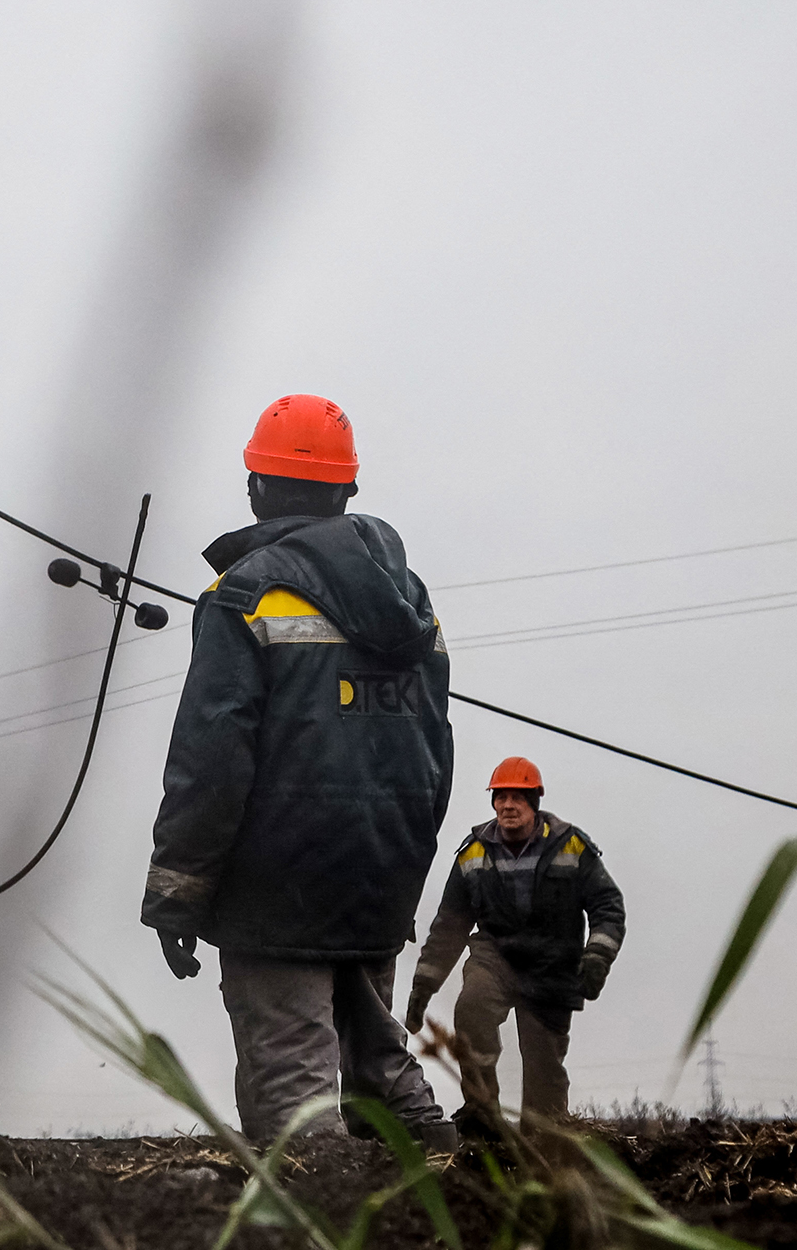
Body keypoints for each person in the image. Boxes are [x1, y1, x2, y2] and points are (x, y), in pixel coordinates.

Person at [140, 393, 457, 1150]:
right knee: (381, 1064)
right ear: (348, 488)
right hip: (382, 867)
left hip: (275, 883)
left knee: (295, 1097)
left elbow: (210, 760)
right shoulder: (414, 605)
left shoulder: (241, 595)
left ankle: (318, 1217)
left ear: (255, 485)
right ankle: (461, 1196)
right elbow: (435, 753)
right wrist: (402, 858)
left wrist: (177, 893)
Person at [405, 756, 625, 1133]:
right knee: (472, 1010)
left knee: (544, 1076)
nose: (508, 805)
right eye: (500, 796)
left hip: (552, 967)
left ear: (534, 802)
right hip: (495, 958)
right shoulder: (473, 854)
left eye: (517, 797)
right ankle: (482, 1116)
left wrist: (597, 957)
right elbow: (449, 928)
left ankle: (543, 1140)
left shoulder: (571, 846)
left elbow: (608, 907)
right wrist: (423, 988)